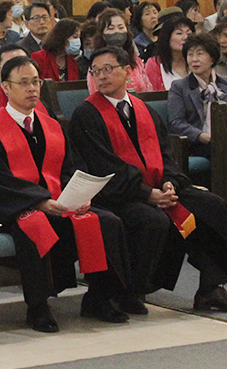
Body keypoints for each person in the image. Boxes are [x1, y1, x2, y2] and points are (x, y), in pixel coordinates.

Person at [0, 55, 133, 331]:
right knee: (35, 225)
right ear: (5, 88)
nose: (32, 89)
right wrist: (40, 201)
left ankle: (98, 297)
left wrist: (79, 195)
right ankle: (38, 307)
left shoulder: (52, 125)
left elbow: (70, 168)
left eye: (35, 81)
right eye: (23, 83)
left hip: (58, 201)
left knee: (106, 221)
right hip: (15, 206)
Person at [71, 46, 227, 311]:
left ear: (128, 72)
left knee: (211, 205)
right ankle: (129, 290)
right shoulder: (87, 114)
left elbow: (167, 156)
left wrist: (170, 183)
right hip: (116, 193)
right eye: (96, 71)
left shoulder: (145, 110)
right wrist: (147, 194)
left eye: (108, 69)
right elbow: (104, 166)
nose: (102, 76)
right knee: (151, 219)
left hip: (157, 188)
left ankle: (210, 287)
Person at [168, 34, 227, 158]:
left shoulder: (224, 84)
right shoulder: (179, 87)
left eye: (200, 54)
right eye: (190, 55)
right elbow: (176, 123)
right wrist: (201, 135)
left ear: (212, 58)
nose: (194, 59)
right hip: (197, 144)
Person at [86, 9, 152, 93]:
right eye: (111, 28)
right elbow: (95, 94)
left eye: (121, 27)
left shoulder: (137, 62)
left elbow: (148, 91)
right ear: (102, 34)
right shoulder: (96, 66)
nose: (117, 32)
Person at [145, 14, 193, 91]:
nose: (185, 37)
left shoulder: (197, 62)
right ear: (167, 37)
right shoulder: (154, 64)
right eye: (179, 33)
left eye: (189, 34)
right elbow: (151, 97)